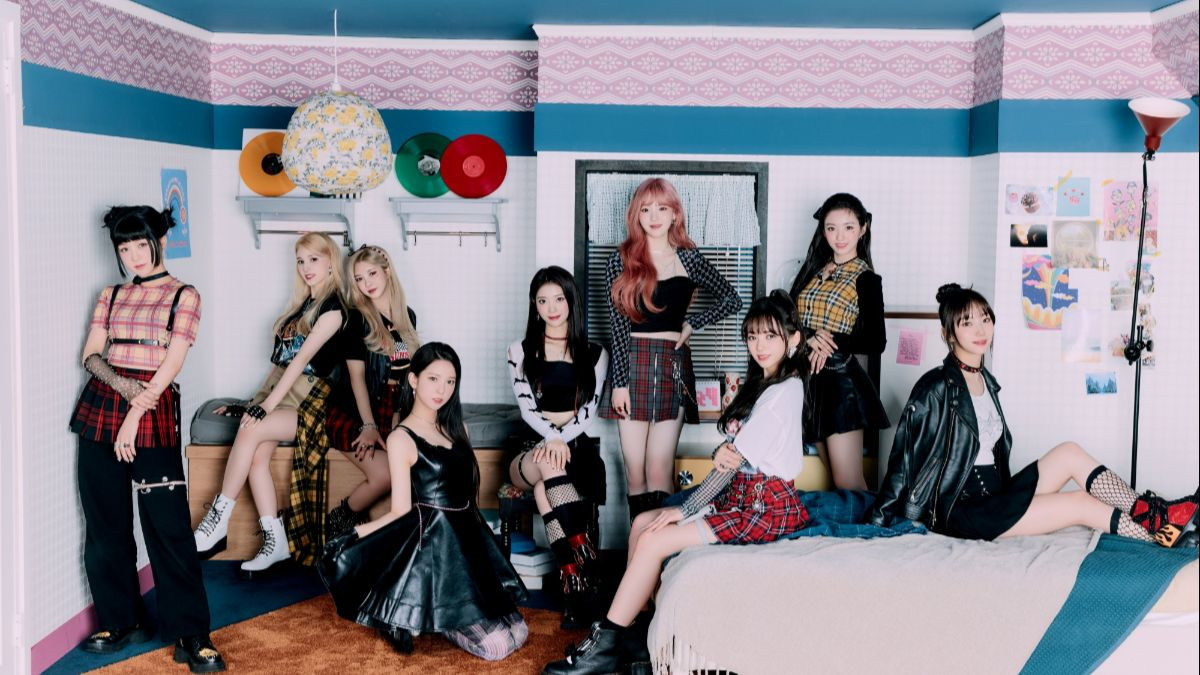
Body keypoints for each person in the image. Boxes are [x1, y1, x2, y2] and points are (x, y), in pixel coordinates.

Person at [544, 291, 809, 675]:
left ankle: (606, 644)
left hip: (764, 508)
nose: (759, 346)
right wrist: (713, 467)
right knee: (641, 522)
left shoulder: (784, 393)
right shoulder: (764, 384)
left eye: (770, 336)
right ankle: (637, 634)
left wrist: (683, 510)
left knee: (655, 536)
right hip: (740, 496)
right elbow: (727, 459)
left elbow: (727, 466)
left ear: (793, 338)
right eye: (752, 336)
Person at [867, 284, 1199, 548]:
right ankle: (1162, 536)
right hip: (963, 510)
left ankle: (1156, 514)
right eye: (967, 322)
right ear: (949, 334)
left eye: (985, 318)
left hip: (997, 496)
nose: (981, 329)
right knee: (1079, 504)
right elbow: (904, 458)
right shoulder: (936, 387)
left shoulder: (986, 382)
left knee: (1069, 452)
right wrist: (880, 521)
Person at [70, 206, 225, 672]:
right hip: (102, 406)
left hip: (152, 409)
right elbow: (90, 355)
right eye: (125, 247)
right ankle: (121, 620)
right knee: (105, 523)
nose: (134, 255)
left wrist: (135, 412)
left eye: (142, 244)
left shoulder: (184, 295)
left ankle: (191, 633)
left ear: (161, 242)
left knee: (168, 525)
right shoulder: (112, 294)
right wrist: (124, 390)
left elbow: (172, 362)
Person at [320, 343, 529, 661]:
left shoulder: (459, 429)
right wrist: (355, 534)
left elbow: (467, 499)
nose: (442, 390)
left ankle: (447, 616)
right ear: (414, 380)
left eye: (450, 381)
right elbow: (401, 511)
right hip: (434, 550)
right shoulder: (400, 438)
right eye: (433, 379)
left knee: (520, 632)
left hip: (468, 543)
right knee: (498, 647)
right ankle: (441, 621)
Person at [193, 233, 348, 575]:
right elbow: (279, 366)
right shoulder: (300, 306)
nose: (306, 267)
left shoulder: (334, 310)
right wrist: (253, 403)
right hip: (284, 395)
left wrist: (265, 409)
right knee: (256, 455)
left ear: (331, 262)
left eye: (314, 259)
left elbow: (300, 361)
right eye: (301, 260)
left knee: (251, 429)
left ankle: (219, 517)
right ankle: (275, 540)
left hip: (313, 403)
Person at [604, 177, 742, 522]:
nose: (654, 216)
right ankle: (638, 547)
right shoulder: (621, 261)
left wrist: (693, 323)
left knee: (659, 469)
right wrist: (619, 383)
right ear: (636, 215)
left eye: (662, 208)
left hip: (672, 365)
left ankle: (663, 550)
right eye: (646, 209)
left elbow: (732, 298)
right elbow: (618, 328)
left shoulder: (689, 259)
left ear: (675, 214)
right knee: (634, 473)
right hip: (632, 366)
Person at [506, 266, 608, 628]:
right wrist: (552, 437)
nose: (551, 308)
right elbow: (526, 408)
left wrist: (560, 439)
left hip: (574, 449)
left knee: (544, 492)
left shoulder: (595, 353)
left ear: (571, 302)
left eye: (559, 299)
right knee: (548, 466)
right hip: (530, 450)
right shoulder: (519, 350)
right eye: (542, 300)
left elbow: (590, 410)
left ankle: (573, 583)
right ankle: (588, 563)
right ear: (534, 306)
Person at [789, 193, 889, 490]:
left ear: (863, 228)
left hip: (840, 382)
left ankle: (870, 521)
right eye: (831, 228)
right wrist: (809, 336)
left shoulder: (866, 278)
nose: (839, 236)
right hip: (808, 379)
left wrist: (829, 338)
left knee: (848, 480)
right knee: (834, 478)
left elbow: (876, 341)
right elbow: (788, 318)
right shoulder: (812, 269)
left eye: (848, 227)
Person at [324, 244, 420, 537]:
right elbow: (356, 378)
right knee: (386, 475)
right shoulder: (356, 319)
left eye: (372, 274)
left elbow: (403, 379)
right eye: (359, 279)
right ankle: (341, 520)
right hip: (353, 412)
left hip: (390, 412)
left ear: (387, 272)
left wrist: (398, 424)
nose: (367, 283)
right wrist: (368, 425)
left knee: (414, 466)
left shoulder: (408, 317)